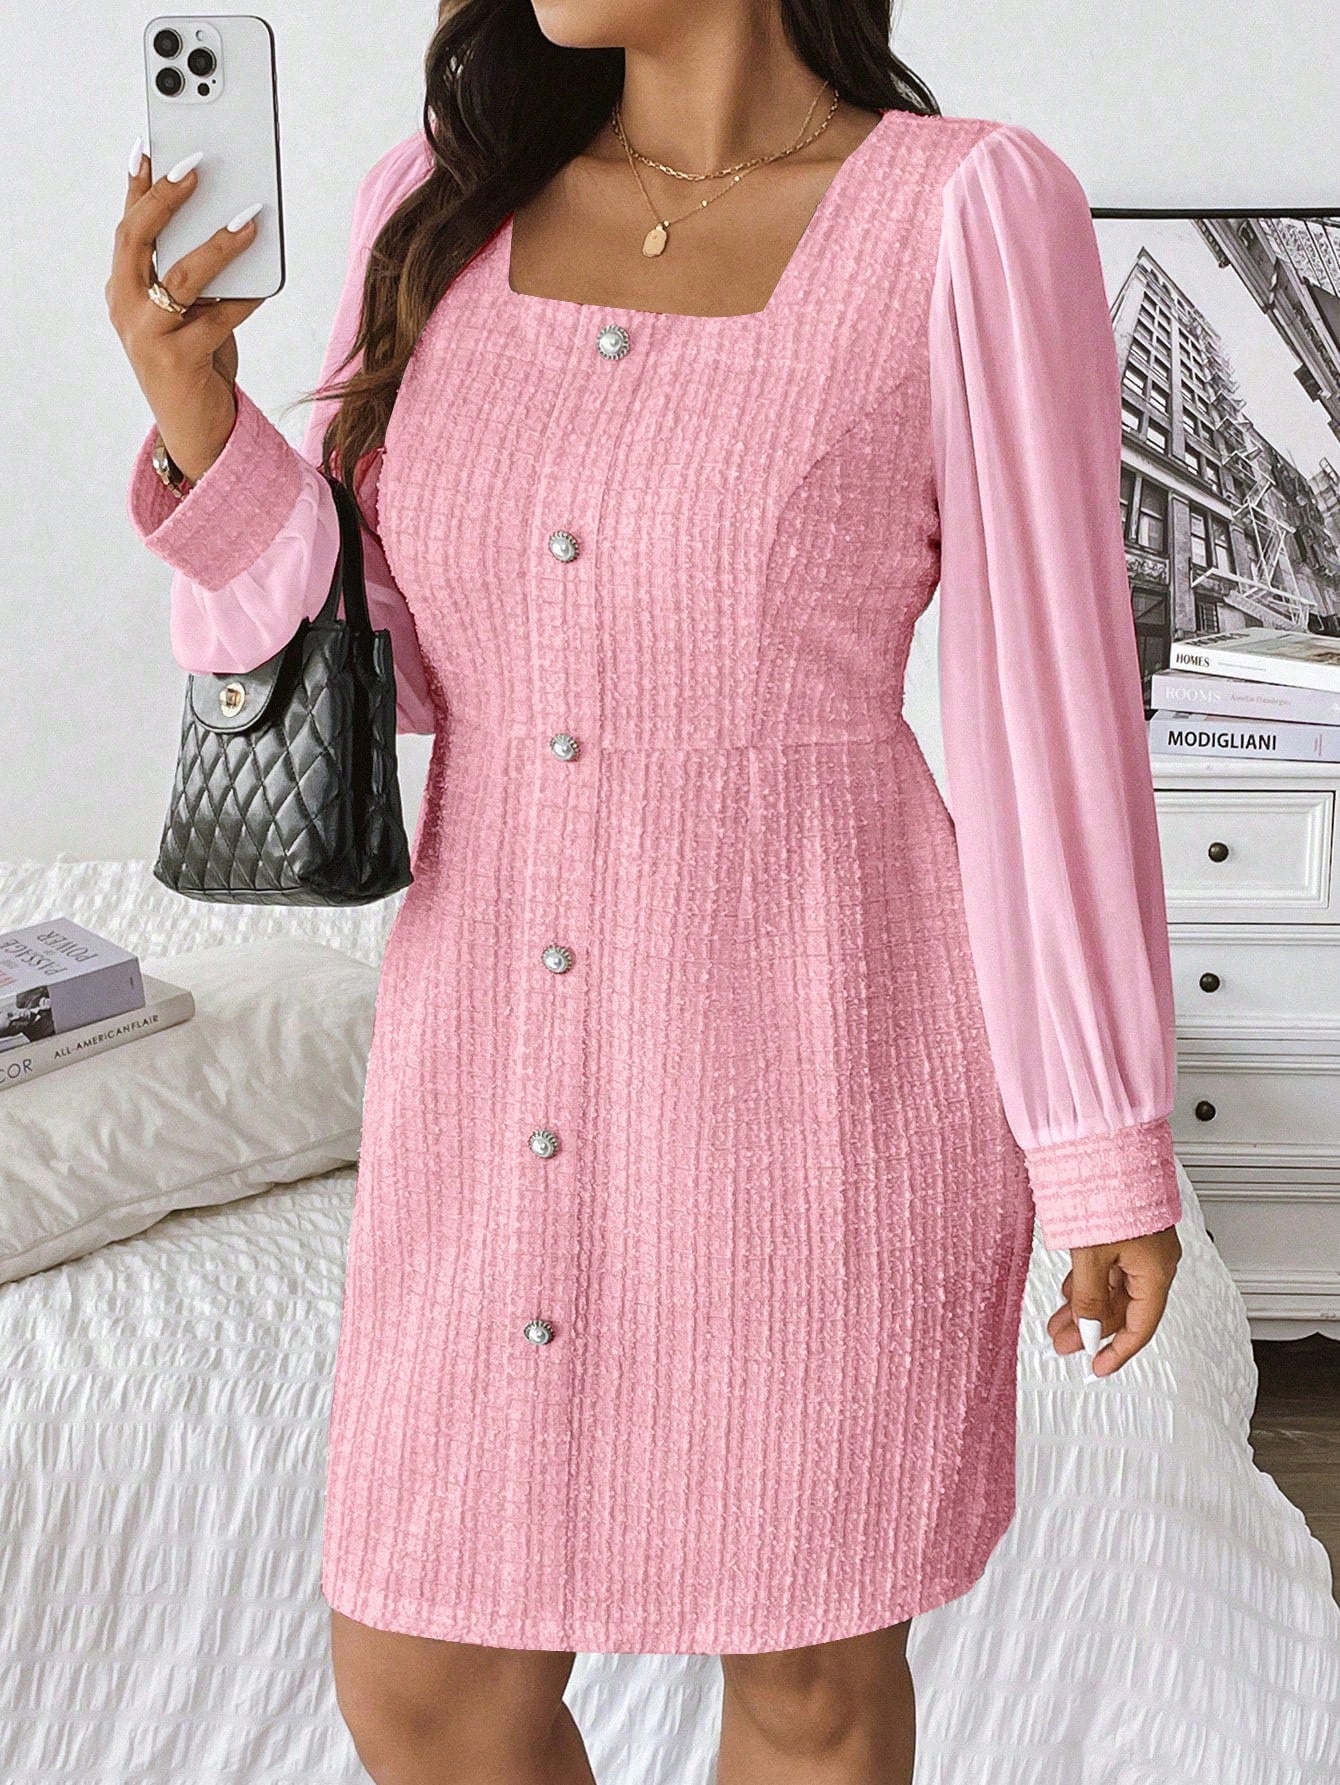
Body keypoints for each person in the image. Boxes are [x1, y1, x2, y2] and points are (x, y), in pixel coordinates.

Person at [107, 2, 1183, 1779]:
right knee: (424, 1682)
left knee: (811, 1681)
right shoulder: (434, 205)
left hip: (819, 1064)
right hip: (484, 1072)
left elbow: (1048, 702)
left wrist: (1102, 1144)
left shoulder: (966, 211)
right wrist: (201, 420)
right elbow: (383, 659)